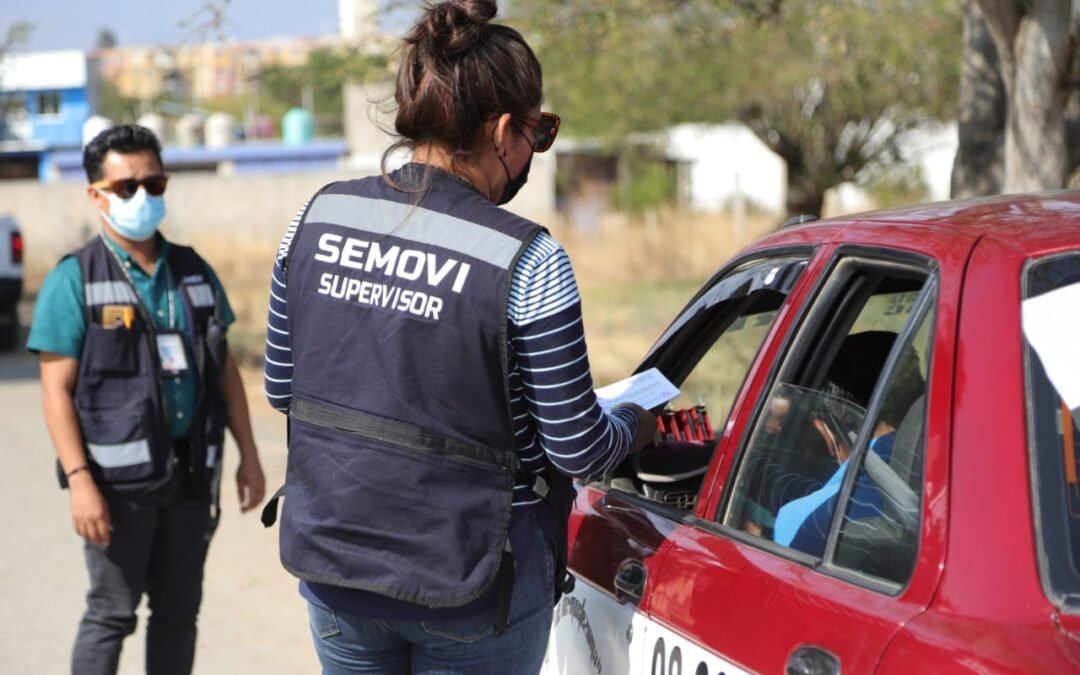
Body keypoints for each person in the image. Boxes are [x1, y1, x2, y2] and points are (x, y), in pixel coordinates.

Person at [261, 1, 656, 672]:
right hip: (474, 586)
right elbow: (577, 446)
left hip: (335, 571)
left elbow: (280, 387)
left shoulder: (314, 217)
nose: (534, 151)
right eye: (540, 131)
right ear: (504, 129)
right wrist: (635, 425)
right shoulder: (529, 260)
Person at [28, 124, 266, 675]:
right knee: (111, 614)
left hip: (190, 475)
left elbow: (224, 369)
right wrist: (80, 480)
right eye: (126, 187)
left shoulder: (194, 271)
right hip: (117, 487)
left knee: (179, 616)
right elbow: (55, 392)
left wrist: (248, 455)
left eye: (153, 183)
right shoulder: (75, 280)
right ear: (96, 194)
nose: (142, 197)